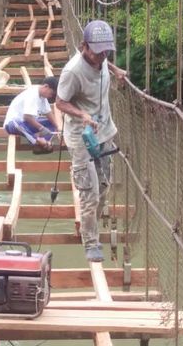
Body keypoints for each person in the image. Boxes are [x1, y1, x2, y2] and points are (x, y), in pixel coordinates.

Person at [56, 20, 126, 262]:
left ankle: (90, 225)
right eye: (97, 52)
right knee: (90, 193)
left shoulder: (102, 56)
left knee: (104, 186)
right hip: (81, 138)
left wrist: (115, 70)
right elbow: (60, 102)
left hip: (105, 133)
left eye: (106, 51)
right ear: (84, 47)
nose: (102, 55)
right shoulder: (72, 71)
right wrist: (83, 114)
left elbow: (104, 60)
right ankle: (91, 243)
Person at [3, 77, 59, 153]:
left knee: (51, 123)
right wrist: (41, 128)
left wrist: (58, 128)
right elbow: (27, 117)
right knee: (16, 123)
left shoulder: (42, 97)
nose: (51, 96)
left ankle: (43, 142)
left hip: (27, 124)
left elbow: (48, 113)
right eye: (51, 93)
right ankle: (36, 142)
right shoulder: (32, 94)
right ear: (46, 86)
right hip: (12, 125)